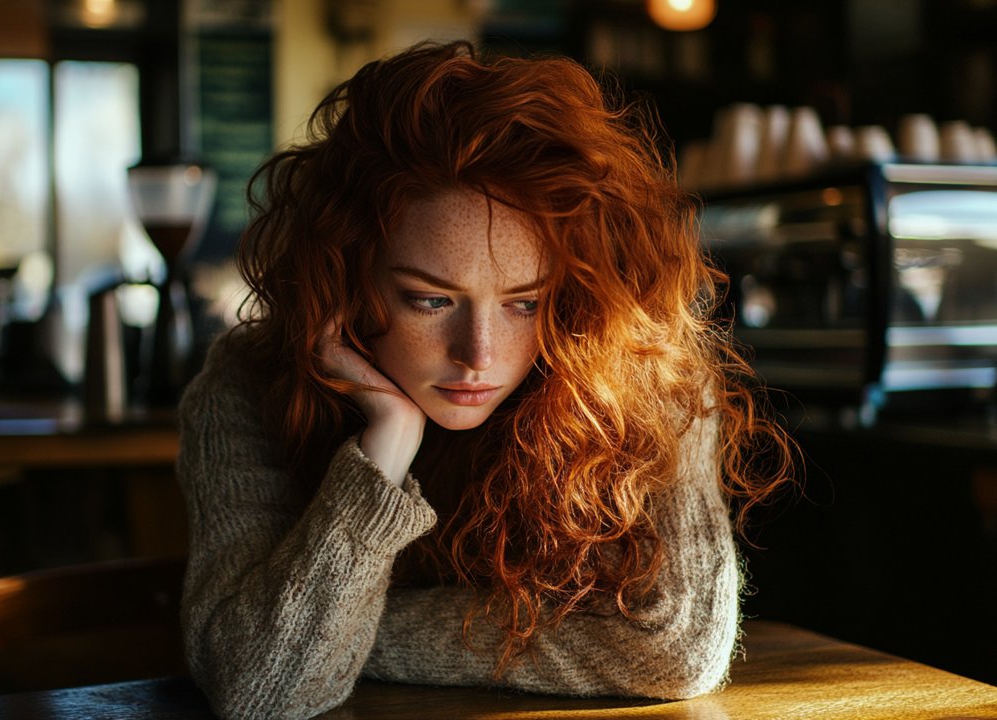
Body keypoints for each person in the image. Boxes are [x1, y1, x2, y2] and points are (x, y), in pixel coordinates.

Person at [176, 41, 793, 720]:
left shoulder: (642, 372)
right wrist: (383, 451)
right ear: (347, 281)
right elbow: (261, 685)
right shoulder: (243, 385)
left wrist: (349, 633)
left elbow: (674, 646)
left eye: (524, 303)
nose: (478, 353)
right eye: (430, 300)